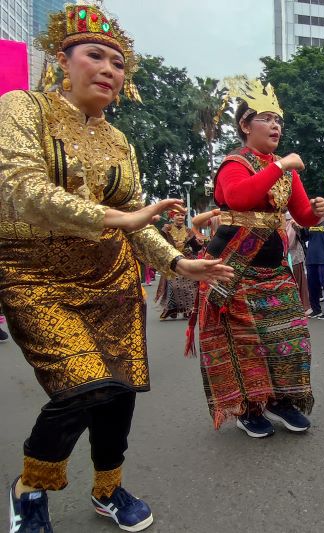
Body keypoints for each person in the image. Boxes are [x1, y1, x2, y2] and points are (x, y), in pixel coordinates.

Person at [0, 5, 234, 530]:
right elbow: (20, 187)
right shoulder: (22, 108)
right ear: (63, 60)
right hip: (35, 277)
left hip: (112, 280)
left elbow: (136, 219)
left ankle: (108, 488)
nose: (109, 69)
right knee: (82, 384)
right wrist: (117, 218)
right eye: (95, 55)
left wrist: (178, 262)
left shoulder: (119, 141)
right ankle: (29, 488)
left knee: (119, 391)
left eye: (119, 63)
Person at [194, 79, 324, 437]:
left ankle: (281, 400)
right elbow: (238, 197)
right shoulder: (234, 163)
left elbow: (303, 217)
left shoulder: (283, 170)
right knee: (247, 345)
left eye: (278, 120)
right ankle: (249, 407)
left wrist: (318, 210)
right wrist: (281, 167)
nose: (275, 126)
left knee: (292, 336)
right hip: (235, 270)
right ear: (245, 125)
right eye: (266, 119)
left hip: (274, 270)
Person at [156, 212, 203, 320]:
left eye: (182, 215)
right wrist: (172, 246)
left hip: (186, 259)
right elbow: (159, 244)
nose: (180, 217)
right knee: (173, 286)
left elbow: (195, 248)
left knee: (190, 285)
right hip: (172, 260)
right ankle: (171, 309)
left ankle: (188, 309)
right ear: (172, 217)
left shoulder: (189, 231)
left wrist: (199, 244)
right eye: (178, 215)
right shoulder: (166, 229)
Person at [286, 212, 311, 314]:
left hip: (295, 255)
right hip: (283, 256)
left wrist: (298, 227)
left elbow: (292, 240)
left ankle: (303, 306)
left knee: (298, 281)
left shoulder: (294, 220)